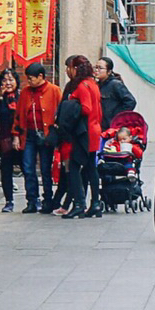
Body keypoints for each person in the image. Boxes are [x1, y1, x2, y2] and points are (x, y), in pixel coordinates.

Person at [52, 56, 101, 218]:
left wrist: (69, 112)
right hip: (93, 130)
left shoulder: (82, 86)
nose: (68, 71)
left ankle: (79, 203)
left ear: (76, 69)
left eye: (70, 67)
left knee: (73, 167)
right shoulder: (93, 84)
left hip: (83, 133)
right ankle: (95, 203)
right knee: (90, 168)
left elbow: (85, 108)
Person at [14, 63, 58, 215]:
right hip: (29, 134)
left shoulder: (53, 90)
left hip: (46, 134)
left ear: (40, 77)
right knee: (27, 167)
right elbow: (18, 115)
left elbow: (59, 112)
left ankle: (48, 199)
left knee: (46, 168)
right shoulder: (26, 92)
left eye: (31, 78)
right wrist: (16, 135)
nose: (29, 82)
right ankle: (32, 200)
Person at [0, 67, 24, 211]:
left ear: (16, 81)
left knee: (27, 168)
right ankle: (9, 201)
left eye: (10, 80)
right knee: (6, 170)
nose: (7, 83)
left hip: (20, 139)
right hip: (3, 139)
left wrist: (17, 136)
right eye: (4, 80)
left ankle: (32, 200)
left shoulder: (21, 96)